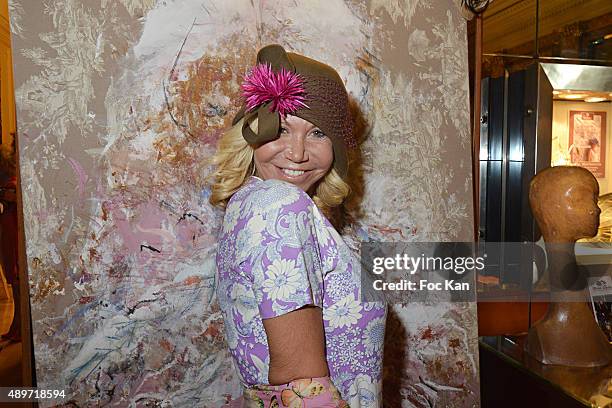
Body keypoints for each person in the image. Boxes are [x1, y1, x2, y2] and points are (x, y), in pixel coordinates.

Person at [210, 45, 387, 407]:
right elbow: (301, 386)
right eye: (283, 129)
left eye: (318, 133)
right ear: (254, 131)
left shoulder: (255, 202)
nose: (297, 152)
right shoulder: (279, 205)